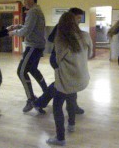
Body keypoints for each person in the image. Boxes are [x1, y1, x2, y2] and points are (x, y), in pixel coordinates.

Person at [46, 12, 93, 146]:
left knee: (57, 106)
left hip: (66, 78)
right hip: (81, 77)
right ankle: (71, 124)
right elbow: (89, 54)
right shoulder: (85, 35)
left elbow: (57, 60)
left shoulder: (61, 39)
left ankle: (60, 138)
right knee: (72, 98)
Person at [33, 8, 85, 114]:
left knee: (68, 82)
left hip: (67, 59)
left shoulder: (74, 27)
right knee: (60, 83)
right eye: (78, 17)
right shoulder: (61, 26)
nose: (79, 20)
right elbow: (51, 39)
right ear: (71, 16)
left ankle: (72, 106)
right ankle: (39, 103)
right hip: (57, 58)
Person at [9, 0, 47, 113]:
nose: (24, 3)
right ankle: (47, 92)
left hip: (33, 47)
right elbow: (30, 27)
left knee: (21, 72)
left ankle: (31, 99)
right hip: (38, 46)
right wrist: (18, 26)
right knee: (32, 69)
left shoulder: (33, 11)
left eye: (25, 0)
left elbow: (27, 31)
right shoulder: (38, 10)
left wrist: (13, 33)